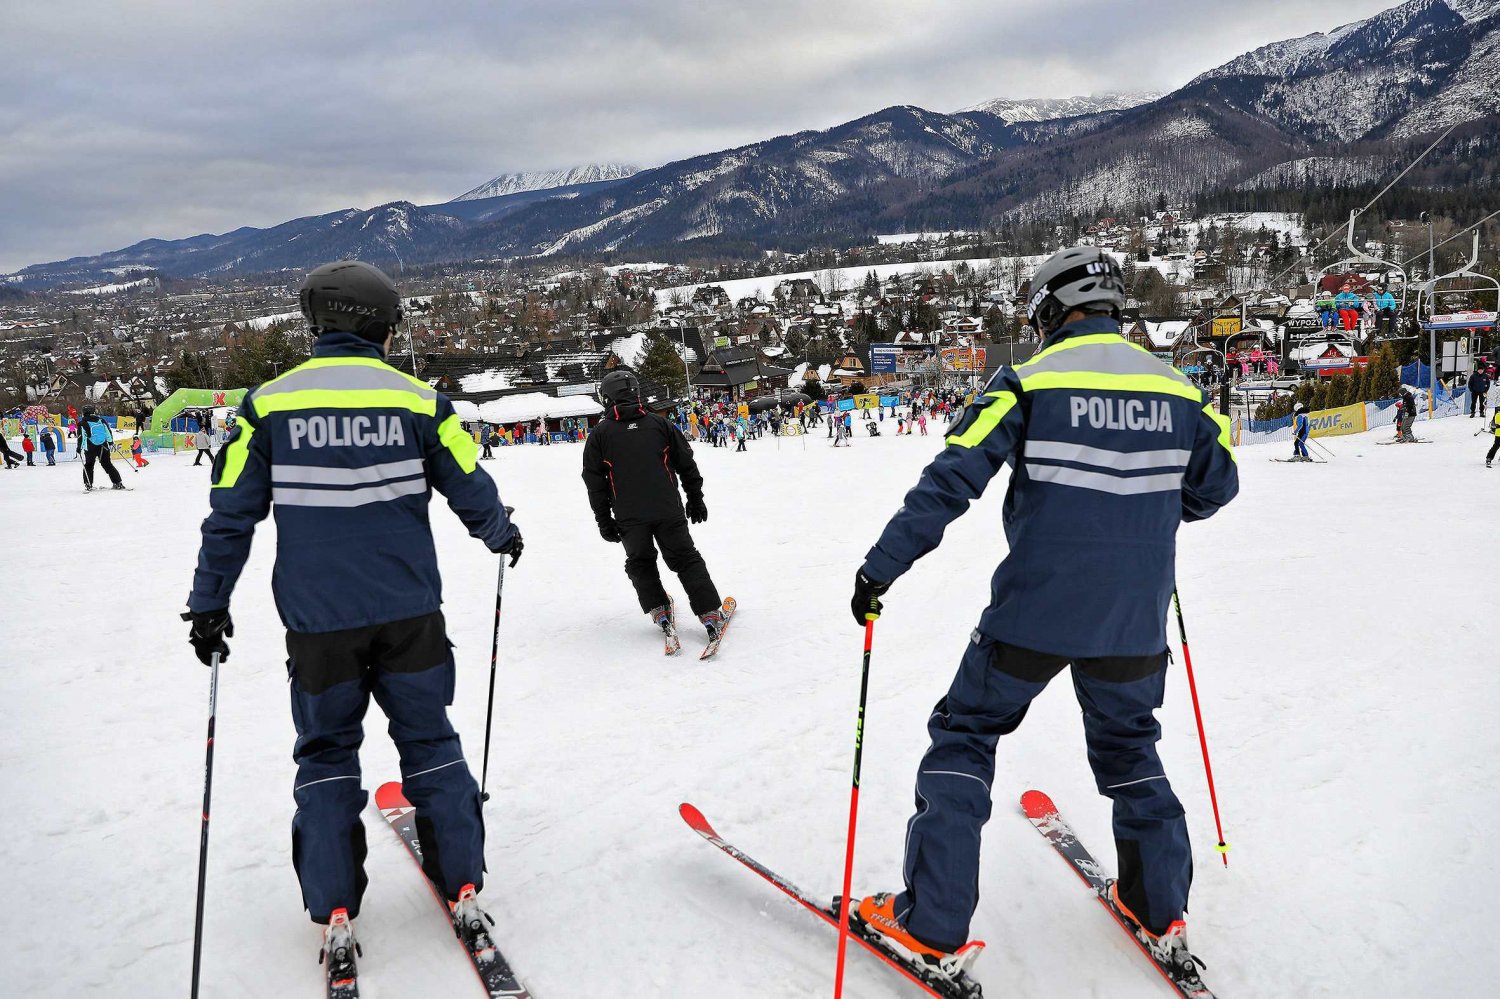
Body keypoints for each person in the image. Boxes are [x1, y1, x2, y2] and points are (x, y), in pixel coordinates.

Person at [844, 246, 1238, 992]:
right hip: (1133, 621)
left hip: (1031, 615)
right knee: (1131, 749)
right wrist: (1151, 512)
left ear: (1053, 309)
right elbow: (1217, 485)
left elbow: (949, 480)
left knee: (966, 734)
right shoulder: (1180, 387)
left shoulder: (1028, 380)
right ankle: (1160, 906)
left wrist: (879, 567)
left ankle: (931, 922)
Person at [183, 260, 523, 964]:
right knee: (430, 741)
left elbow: (230, 514)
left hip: (318, 624)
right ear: (375, 325)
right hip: (409, 614)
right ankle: (462, 881)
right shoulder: (419, 400)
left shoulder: (268, 404)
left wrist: (209, 602)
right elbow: (467, 475)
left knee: (328, 752)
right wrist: (499, 531)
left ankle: (335, 903)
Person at [583, 368, 732, 646]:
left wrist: (604, 520)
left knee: (640, 563)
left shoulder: (600, 435)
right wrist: (695, 497)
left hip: (630, 516)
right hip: (667, 510)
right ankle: (710, 612)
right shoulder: (659, 424)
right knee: (686, 560)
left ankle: (659, 608)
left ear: (608, 398)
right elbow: (686, 463)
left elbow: (594, 483)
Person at [79, 408, 125, 490]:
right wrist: (110, 442)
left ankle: (88, 484)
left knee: (89, 465)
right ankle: (118, 482)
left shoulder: (82, 423)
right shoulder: (101, 420)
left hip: (90, 447)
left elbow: (81, 437)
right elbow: (108, 431)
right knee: (107, 464)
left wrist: (79, 448)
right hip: (103, 446)